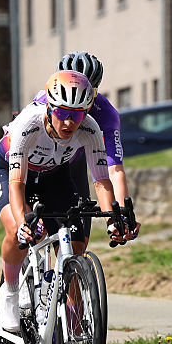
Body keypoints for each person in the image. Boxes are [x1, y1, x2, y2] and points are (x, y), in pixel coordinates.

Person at [0, 70, 139, 333]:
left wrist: (112, 220)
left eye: (77, 114)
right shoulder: (28, 124)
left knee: (76, 244)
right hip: (9, 173)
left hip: (54, 177)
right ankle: (10, 292)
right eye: (62, 113)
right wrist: (23, 221)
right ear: (49, 107)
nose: (69, 123)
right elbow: (16, 185)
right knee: (17, 231)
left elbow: (101, 181)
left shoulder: (90, 129)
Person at [38, 51, 133, 233]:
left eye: (88, 92)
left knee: (80, 242)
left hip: (73, 162)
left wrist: (121, 214)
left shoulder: (105, 113)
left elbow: (114, 168)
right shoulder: (44, 102)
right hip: (40, 162)